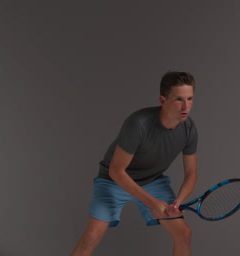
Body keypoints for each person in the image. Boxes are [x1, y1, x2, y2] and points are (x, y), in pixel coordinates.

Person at [71, 71, 198, 256]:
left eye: (190, 98)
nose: (185, 106)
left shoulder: (189, 129)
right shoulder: (139, 123)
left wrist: (178, 202)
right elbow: (116, 171)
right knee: (91, 237)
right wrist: (152, 203)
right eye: (179, 99)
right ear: (163, 100)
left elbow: (191, 173)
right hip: (113, 181)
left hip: (152, 181)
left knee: (184, 234)